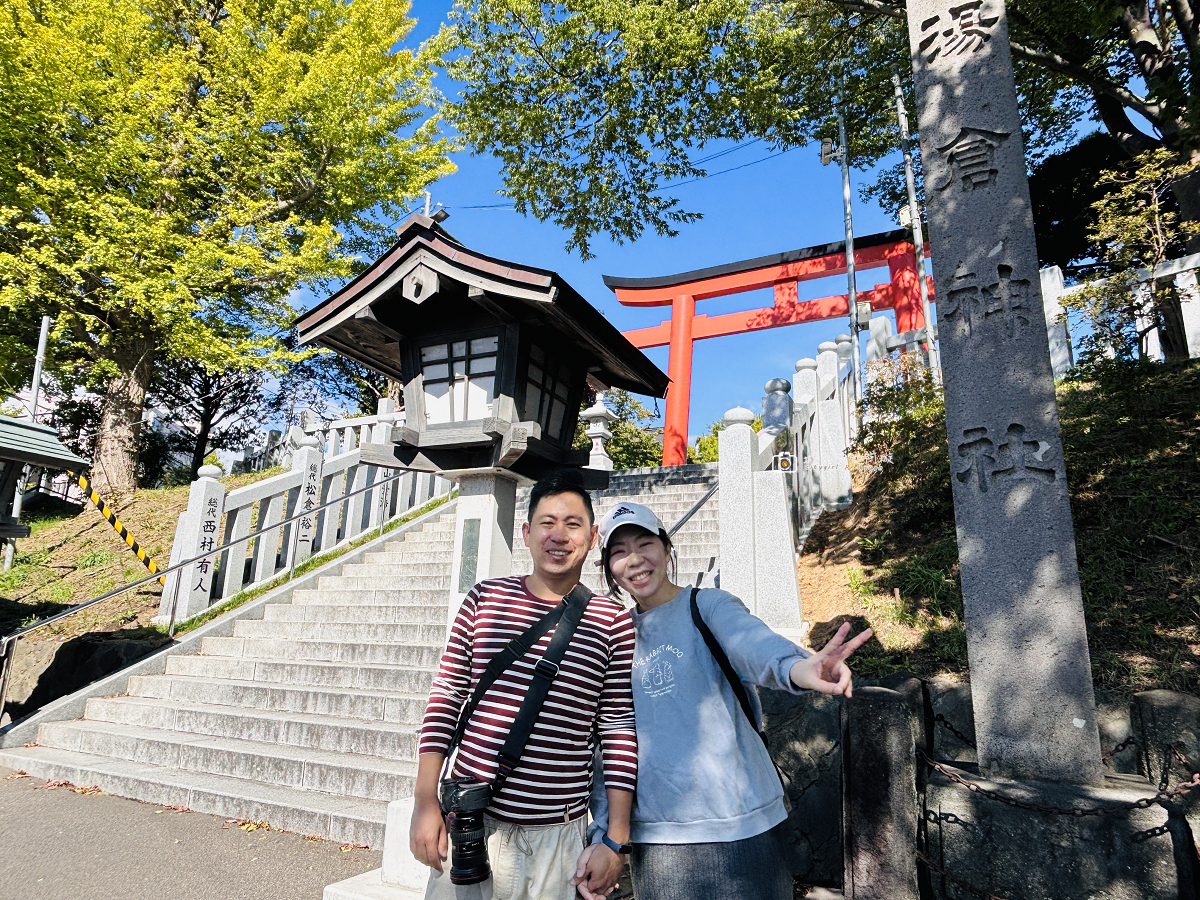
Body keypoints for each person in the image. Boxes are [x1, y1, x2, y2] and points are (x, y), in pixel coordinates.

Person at [573, 502, 872, 900]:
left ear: (667, 548)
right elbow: (610, 740)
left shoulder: (707, 606)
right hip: (660, 837)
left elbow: (753, 644)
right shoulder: (617, 635)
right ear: (609, 567)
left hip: (744, 825)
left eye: (645, 543)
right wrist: (607, 834)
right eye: (619, 551)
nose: (635, 559)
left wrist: (801, 669)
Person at [410, 469, 636, 900]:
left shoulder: (612, 621)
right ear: (527, 532)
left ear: (592, 540)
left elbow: (618, 728)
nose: (559, 535)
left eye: (573, 524)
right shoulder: (484, 599)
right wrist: (425, 802)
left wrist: (615, 840)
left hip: (559, 835)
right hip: (475, 827)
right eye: (547, 523)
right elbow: (447, 697)